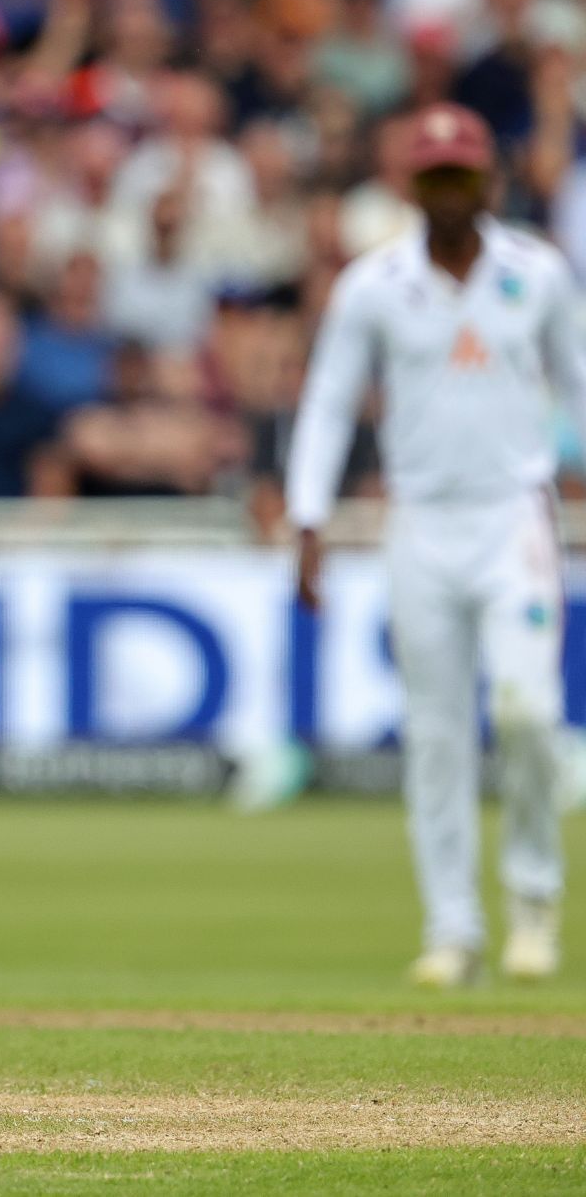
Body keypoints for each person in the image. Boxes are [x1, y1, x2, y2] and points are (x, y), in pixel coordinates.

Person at [287, 103, 581, 987]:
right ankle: (452, 926)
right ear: (412, 185)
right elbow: (330, 403)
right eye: (434, 177)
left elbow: (577, 380)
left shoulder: (538, 271)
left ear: (488, 179)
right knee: (437, 735)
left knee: (527, 711)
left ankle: (533, 896)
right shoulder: (373, 285)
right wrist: (309, 521)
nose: (450, 193)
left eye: (464, 175)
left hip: (513, 518)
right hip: (419, 524)